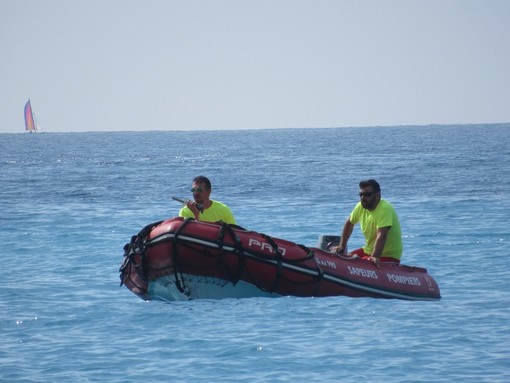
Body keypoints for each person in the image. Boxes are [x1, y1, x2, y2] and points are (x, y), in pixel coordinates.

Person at [334, 179, 402, 268]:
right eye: (361, 195)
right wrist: (342, 246)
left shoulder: (385, 209)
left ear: (377, 195)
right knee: (341, 258)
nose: (363, 198)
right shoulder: (360, 206)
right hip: (367, 250)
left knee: (356, 264)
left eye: (367, 195)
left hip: (388, 255)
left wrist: (375, 256)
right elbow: (349, 223)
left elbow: (381, 235)